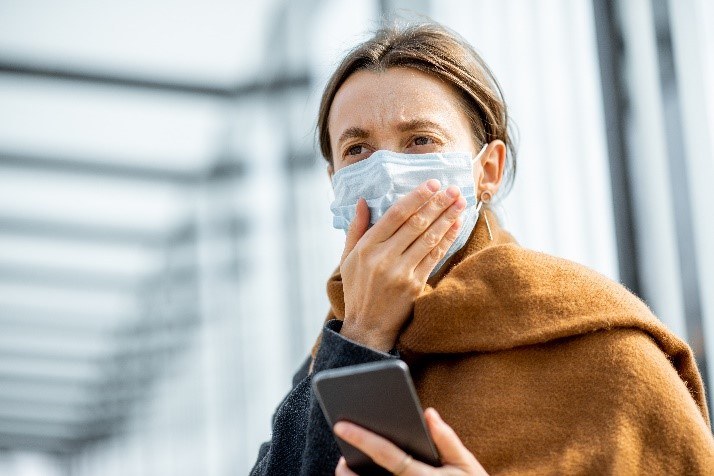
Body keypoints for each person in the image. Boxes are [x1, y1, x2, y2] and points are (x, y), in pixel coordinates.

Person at [251, 21, 714, 475]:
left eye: (420, 140)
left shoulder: (602, 347)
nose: (387, 170)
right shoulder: (328, 357)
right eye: (357, 149)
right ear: (336, 185)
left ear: (487, 171)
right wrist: (363, 335)